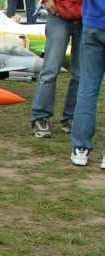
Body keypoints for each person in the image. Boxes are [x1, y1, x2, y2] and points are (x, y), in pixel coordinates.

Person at [30, 0, 83, 138]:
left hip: (85, 18)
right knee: (50, 70)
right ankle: (40, 117)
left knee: (80, 74)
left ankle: (72, 117)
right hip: (58, 14)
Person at [70, 0, 105, 169]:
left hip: (92, 23)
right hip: (92, 23)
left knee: (87, 89)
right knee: (87, 89)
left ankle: (80, 148)